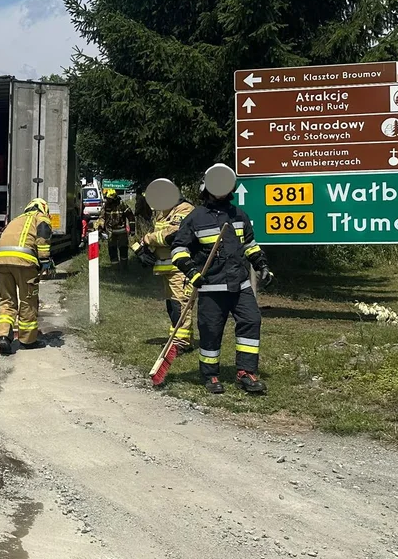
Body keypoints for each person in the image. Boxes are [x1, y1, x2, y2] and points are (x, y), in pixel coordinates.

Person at [170, 166, 273, 395]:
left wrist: (261, 265)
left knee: (251, 321)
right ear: (206, 187)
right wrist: (192, 273)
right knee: (210, 331)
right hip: (211, 286)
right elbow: (178, 249)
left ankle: (246, 373)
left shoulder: (238, 215)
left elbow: (249, 245)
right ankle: (210, 375)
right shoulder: (195, 217)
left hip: (240, 285)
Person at [132, 184, 195, 365]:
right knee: (172, 306)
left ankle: (180, 343)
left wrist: (148, 239)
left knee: (181, 304)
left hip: (181, 268)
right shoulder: (162, 212)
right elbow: (159, 233)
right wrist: (146, 249)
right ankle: (181, 340)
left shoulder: (184, 209)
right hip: (167, 267)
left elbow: (172, 235)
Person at [0, 198, 52, 356]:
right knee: (28, 300)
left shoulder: (16, 219)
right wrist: (45, 259)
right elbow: (44, 232)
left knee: (7, 300)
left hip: (0, 260)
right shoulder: (40, 217)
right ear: (43, 208)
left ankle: (4, 336)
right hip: (24, 262)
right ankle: (28, 340)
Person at [97, 188, 133, 266]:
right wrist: (100, 228)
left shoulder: (122, 204)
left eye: (109, 199)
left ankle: (124, 268)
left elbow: (130, 216)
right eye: (107, 199)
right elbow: (102, 217)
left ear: (114, 198)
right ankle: (115, 268)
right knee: (112, 250)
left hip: (122, 231)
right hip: (110, 232)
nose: (108, 201)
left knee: (123, 249)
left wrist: (132, 229)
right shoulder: (106, 205)